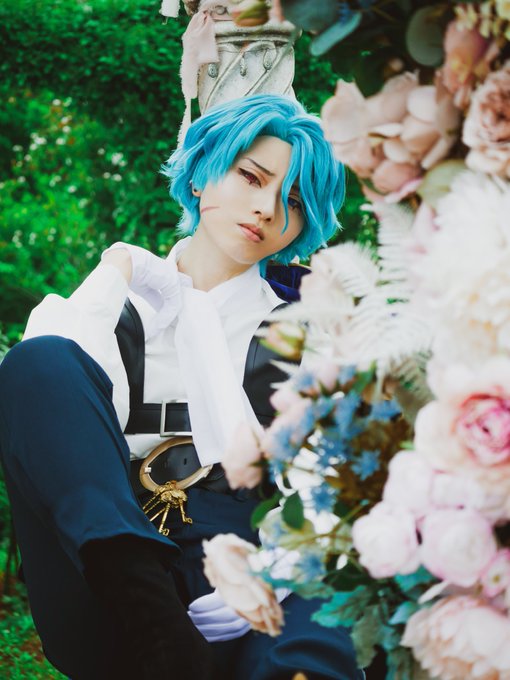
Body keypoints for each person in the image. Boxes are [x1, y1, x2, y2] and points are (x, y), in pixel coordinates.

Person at [0, 94, 362, 680]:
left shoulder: (304, 331)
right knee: (37, 361)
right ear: (200, 175)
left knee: (318, 611)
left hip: (254, 570)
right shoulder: (114, 310)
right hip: (116, 582)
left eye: (294, 201)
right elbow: (41, 393)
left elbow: (328, 485)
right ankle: (153, 621)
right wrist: (117, 271)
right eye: (251, 177)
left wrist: (274, 572)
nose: (267, 208)